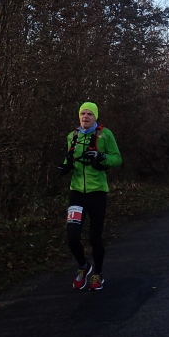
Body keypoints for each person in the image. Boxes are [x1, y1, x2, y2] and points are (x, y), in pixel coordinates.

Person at [58, 102, 122, 292]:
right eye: (82, 114)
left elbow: (117, 159)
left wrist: (101, 157)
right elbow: (69, 158)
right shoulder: (72, 136)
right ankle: (84, 266)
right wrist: (64, 166)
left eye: (89, 114)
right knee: (72, 236)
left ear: (95, 117)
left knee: (95, 237)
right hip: (76, 193)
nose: (85, 117)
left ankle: (98, 274)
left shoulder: (105, 135)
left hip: (97, 194)